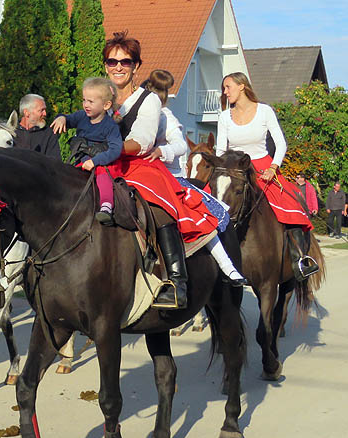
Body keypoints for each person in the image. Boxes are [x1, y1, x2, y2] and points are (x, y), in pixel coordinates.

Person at [101, 31, 220, 309]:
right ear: (105, 65)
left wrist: (109, 150)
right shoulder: (101, 97)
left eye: (125, 62)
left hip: (139, 165)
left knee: (158, 205)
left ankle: (177, 282)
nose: (118, 67)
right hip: (106, 165)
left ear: (136, 67)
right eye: (112, 61)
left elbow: (142, 141)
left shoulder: (149, 101)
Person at [144, 69, 246, 286]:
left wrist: (163, 151)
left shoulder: (166, 117)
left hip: (168, 177)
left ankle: (227, 268)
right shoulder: (137, 116)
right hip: (140, 176)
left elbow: (180, 144)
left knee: (199, 219)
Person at [216, 72, 319, 280]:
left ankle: (300, 259)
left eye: (228, 87)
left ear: (242, 86)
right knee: (208, 207)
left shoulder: (264, 111)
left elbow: (281, 143)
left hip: (264, 169)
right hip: (234, 171)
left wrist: (273, 167)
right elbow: (220, 150)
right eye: (224, 89)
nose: (225, 92)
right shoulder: (224, 116)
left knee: (291, 205)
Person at [50, 77, 123, 225]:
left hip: (101, 161)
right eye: (84, 100)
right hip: (80, 159)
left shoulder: (110, 126)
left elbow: (116, 149)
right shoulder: (81, 116)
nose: (85, 105)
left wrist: (95, 161)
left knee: (103, 176)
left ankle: (106, 205)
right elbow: (68, 119)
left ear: (106, 105)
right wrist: (62, 118)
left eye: (91, 101)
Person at [13, 94, 61, 159]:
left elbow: (55, 163)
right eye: (41, 110)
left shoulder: (48, 134)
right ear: (27, 113)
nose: (45, 113)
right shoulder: (11, 133)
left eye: (45, 110)